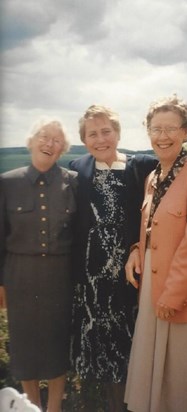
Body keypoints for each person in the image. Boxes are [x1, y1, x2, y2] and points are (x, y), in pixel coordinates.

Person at [124, 95, 187, 412]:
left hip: (183, 291)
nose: (162, 136)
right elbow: (156, 228)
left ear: (186, 132)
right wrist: (137, 249)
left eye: (170, 128)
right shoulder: (153, 178)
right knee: (158, 382)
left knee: (183, 380)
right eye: (155, 128)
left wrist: (173, 295)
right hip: (153, 286)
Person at [69, 105, 158, 411]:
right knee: (97, 342)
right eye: (92, 133)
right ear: (84, 139)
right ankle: (102, 404)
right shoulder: (77, 168)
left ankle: (134, 403)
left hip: (129, 271)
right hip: (91, 273)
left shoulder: (143, 165)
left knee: (130, 339)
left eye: (106, 131)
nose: (101, 138)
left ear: (118, 134)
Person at [0, 118, 78, 412]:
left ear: (63, 149)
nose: (49, 143)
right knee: (24, 345)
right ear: (31, 142)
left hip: (60, 275)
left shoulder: (73, 182)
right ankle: (30, 406)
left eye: (56, 140)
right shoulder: (7, 182)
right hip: (19, 275)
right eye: (43, 137)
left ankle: (55, 407)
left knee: (58, 341)